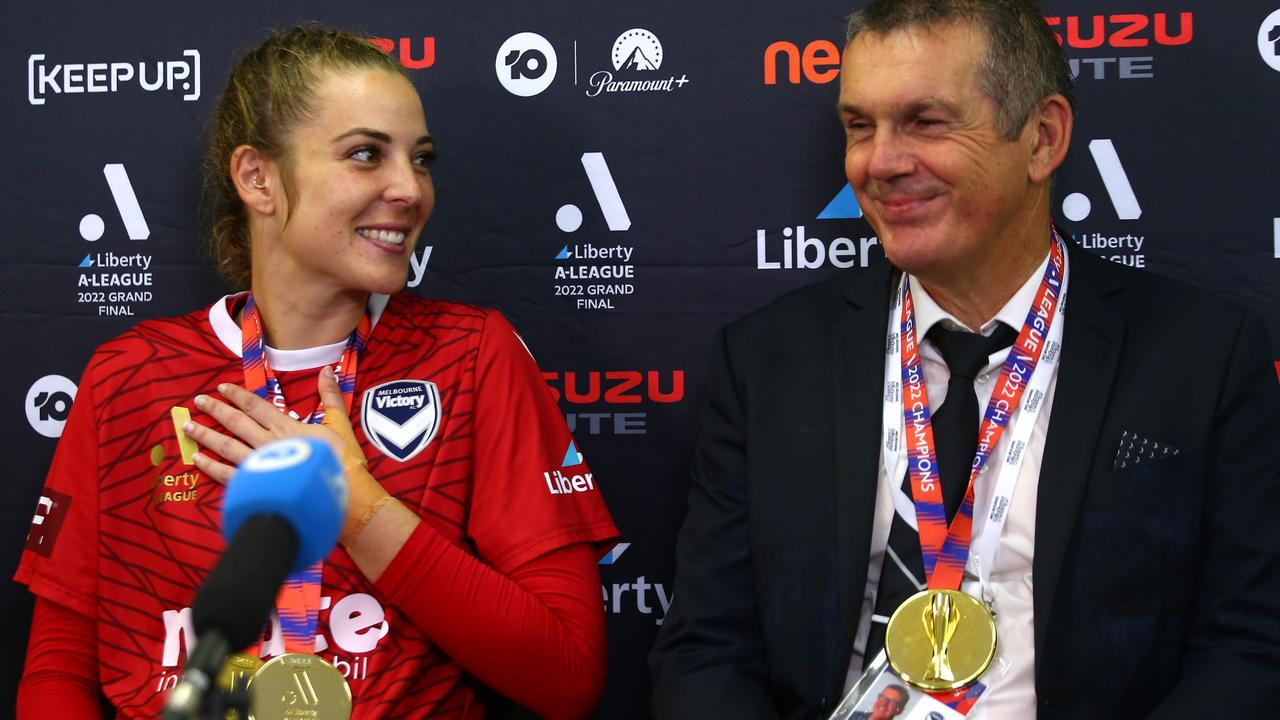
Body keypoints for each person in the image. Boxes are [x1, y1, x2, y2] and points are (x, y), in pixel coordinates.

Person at [649, 1, 1280, 718]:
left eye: (926, 122)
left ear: (1042, 138)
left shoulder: (1203, 354)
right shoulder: (765, 361)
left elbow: (1250, 646)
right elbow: (705, 651)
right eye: (860, 126)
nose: (879, 162)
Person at [15, 26, 618, 719]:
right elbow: (59, 667)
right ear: (258, 178)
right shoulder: (130, 375)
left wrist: (360, 510)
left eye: (420, 160)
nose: (410, 190)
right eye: (366, 155)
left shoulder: (472, 354)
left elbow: (567, 676)